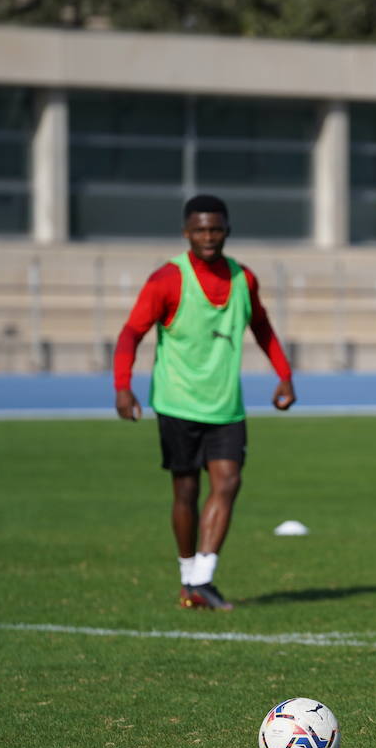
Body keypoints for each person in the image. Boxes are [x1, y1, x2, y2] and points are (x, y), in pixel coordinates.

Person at [113, 194, 296, 611]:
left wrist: (284, 375)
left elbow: (262, 326)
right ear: (186, 233)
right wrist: (123, 387)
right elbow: (130, 334)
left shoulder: (243, 278)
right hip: (177, 403)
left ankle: (203, 578)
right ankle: (187, 578)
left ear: (227, 230)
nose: (208, 237)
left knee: (228, 481)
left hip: (226, 405)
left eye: (216, 229)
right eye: (200, 230)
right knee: (186, 491)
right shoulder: (167, 280)